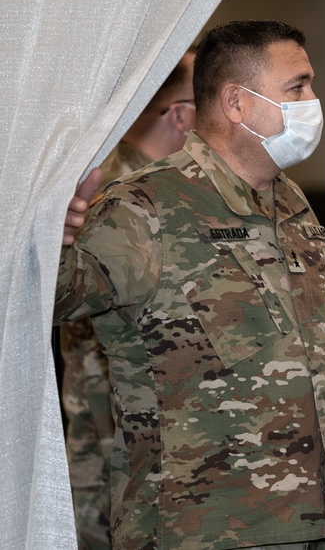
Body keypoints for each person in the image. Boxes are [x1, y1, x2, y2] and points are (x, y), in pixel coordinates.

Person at [57, 20, 325, 550]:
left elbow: (323, 365)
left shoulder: (293, 205)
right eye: (296, 87)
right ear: (236, 102)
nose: (313, 100)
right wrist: (49, 240)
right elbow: (50, 299)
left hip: (321, 525)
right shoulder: (144, 209)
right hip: (202, 531)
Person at [59, 49, 197, 550]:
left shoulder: (115, 176)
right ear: (182, 115)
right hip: (117, 404)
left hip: (102, 400)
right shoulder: (126, 196)